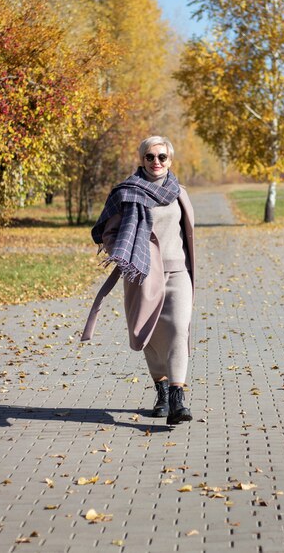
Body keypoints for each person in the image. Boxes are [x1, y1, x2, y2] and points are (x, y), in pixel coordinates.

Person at [81, 136, 195, 425]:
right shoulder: (125, 193)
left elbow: (187, 232)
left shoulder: (179, 191)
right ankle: (162, 391)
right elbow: (107, 233)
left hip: (178, 271)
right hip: (142, 272)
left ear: (170, 160)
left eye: (162, 157)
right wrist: (128, 249)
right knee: (150, 336)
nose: (156, 162)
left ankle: (177, 397)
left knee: (179, 329)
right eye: (150, 157)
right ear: (142, 159)